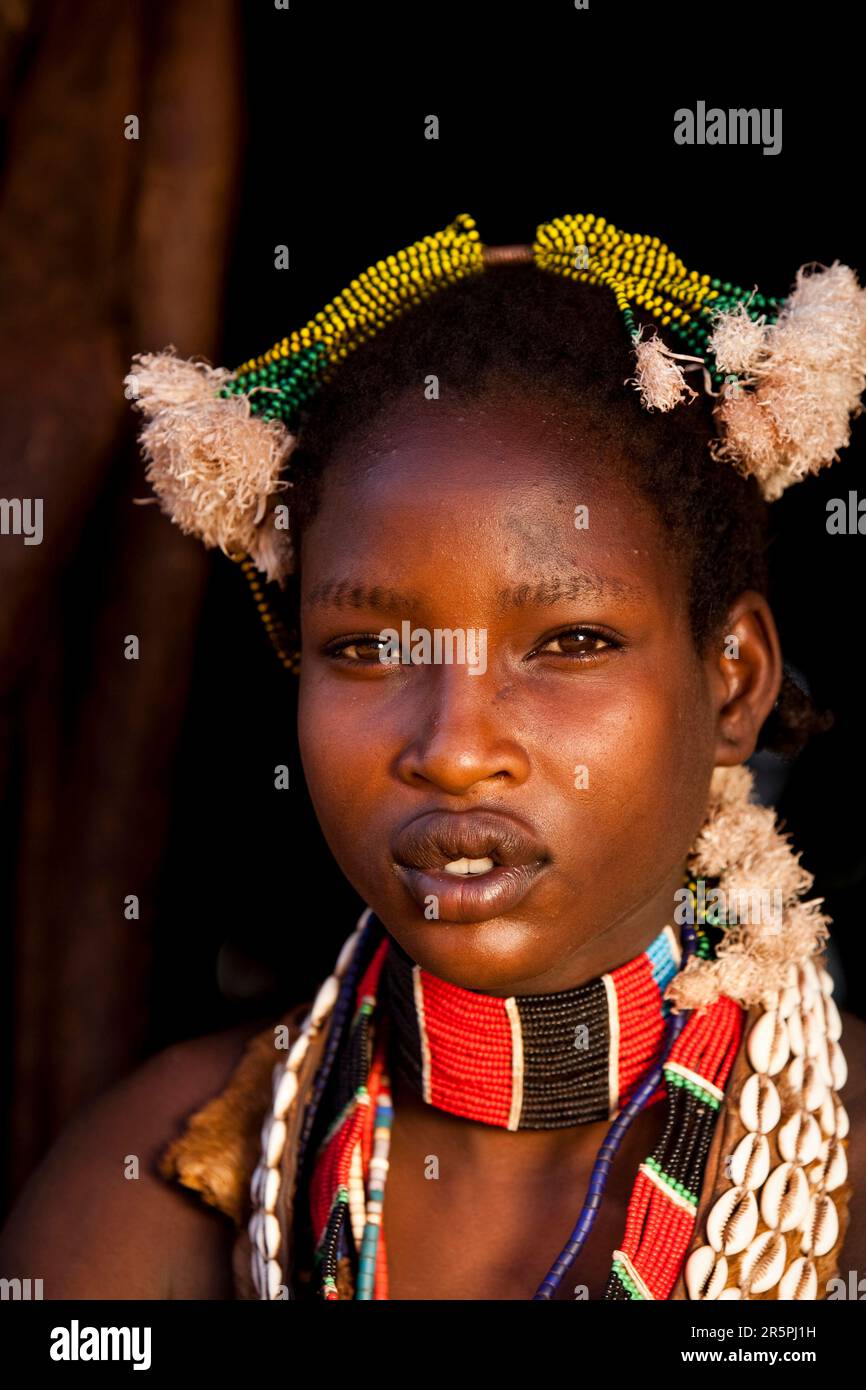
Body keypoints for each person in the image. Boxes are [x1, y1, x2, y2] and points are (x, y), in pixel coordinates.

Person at [3, 213, 866, 1301]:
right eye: (366, 649)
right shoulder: (139, 1203)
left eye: (569, 643)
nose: (454, 751)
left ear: (731, 681)